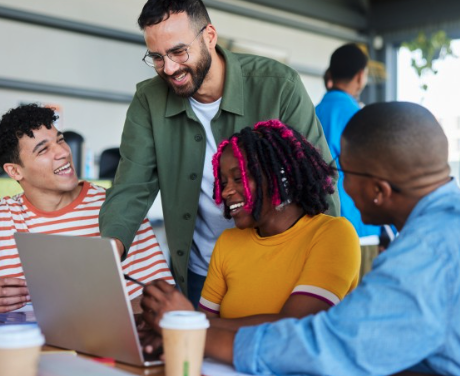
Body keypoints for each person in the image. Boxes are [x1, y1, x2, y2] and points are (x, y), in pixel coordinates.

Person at [149, 102, 460, 375]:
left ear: (378, 190)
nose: (340, 186)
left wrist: (193, 335)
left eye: (346, 172)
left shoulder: (426, 252)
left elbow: (331, 349)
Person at [99, 0, 339, 307]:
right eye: (156, 57)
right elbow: (132, 185)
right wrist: (106, 256)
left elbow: (317, 181)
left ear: (209, 36)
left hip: (278, 265)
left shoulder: (278, 85)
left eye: (179, 52)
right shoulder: (148, 101)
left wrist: (328, 263)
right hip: (200, 272)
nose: (169, 68)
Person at [0, 104, 173, 314]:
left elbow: (165, 299)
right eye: (43, 149)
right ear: (15, 171)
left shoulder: (120, 208)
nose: (63, 153)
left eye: (60, 140)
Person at [141, 120, 360, 332]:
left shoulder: (333, 234)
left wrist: (189, 324)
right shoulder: (228, 242)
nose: (226, 192)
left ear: (279, 176)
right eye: (223, 182)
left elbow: (292, 327)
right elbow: (204, 327)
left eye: (239, 178)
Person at [315, 43, 382, 241]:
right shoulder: (361, 118)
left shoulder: (310, 114)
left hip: (316, 228)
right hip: (358, 228)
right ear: (361, 76)